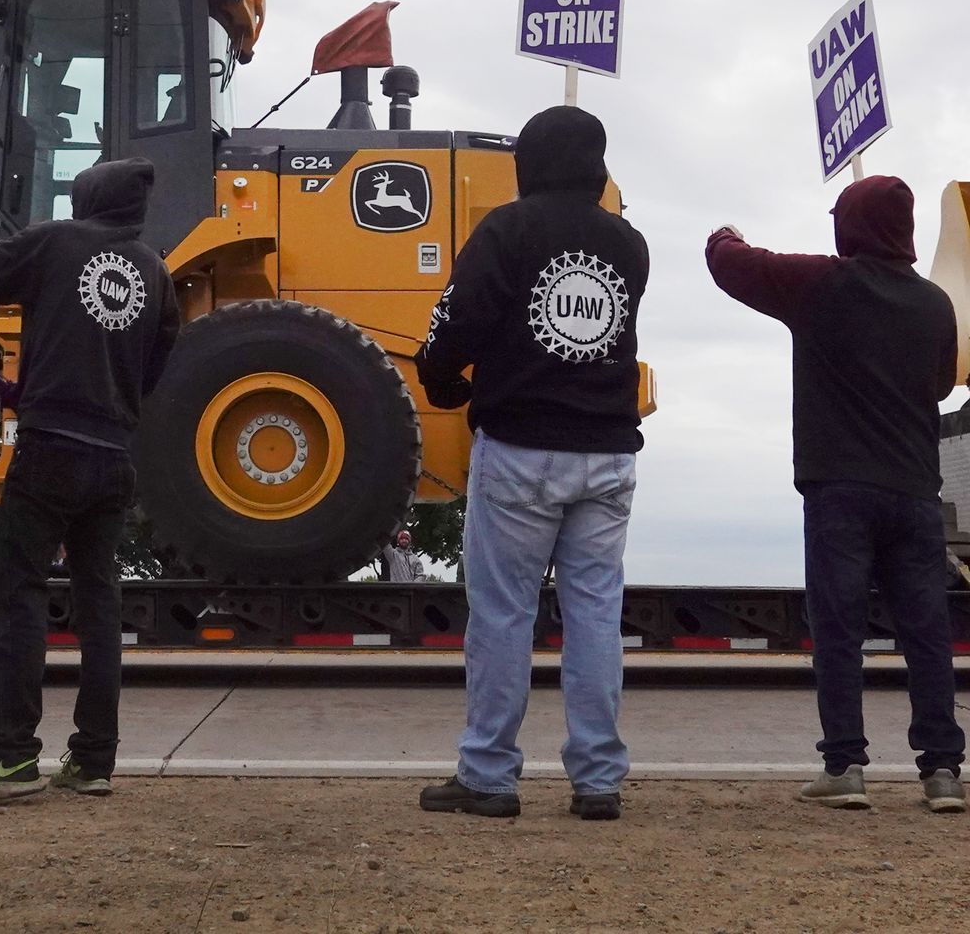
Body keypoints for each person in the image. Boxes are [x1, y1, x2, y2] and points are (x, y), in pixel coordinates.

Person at [412, 106, 649, 820]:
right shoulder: (630, 245)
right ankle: (599, 780)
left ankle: (488, 775)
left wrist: (439, 375)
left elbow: (460, 322)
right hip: (608, 454)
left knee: (505, 615)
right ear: (597, 164)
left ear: (528, 162)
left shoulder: (507, 230)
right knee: (596, 617)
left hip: (520, 451)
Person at [0, 157, 180, 806]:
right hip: (114, 455)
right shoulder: (155, 273)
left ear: (88, 197)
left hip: (49, 450)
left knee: (21, 593)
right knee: (99, 605)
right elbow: (154, 370)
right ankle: (93, 760)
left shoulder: (55, 241)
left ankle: (10, 757)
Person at [706, 176, 966, 813]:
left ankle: (845, 767)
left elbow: (730, 264)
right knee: (927, 634)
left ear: (849, 222)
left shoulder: (820, 284)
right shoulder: (936, 305)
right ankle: (942, 775)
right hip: (914, 492)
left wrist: (725, 233)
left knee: (840, 629)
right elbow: (937, 388)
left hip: (839, 490)